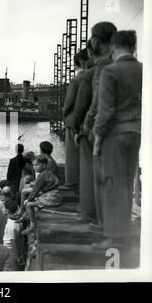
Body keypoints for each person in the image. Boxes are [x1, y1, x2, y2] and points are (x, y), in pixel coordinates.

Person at [92, 30, 142, 248]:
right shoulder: (143, 69)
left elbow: (105, 111)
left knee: (113, 184)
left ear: (113, 47)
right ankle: (126, 233)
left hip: (115, 134)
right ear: (134, 47)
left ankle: (114, 237)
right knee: (127, 181)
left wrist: (97, 138)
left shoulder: (110, 71)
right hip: (136, 132)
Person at [83, 21, 117, 230]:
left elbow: (98, 103)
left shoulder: (102, 67)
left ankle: (105, 227)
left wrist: (88, 127)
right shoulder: (123, 63)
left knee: (101, 179)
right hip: (126, 131)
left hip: (103, 131)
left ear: (96, 41)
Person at [73, 40, 97, 224]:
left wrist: (78, 126)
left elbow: (78, 106)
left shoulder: (85, 76)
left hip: (89, 127)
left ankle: (88, 214)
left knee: (85, 169)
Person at [64, 49, 89, 191]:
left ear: (77, 62)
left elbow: (68, 103)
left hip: (73, 121)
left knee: (72, 155)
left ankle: (71, 183)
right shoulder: (94, 76)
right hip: (88, 122)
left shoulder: (76, 80)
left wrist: (65, 115)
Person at [20, 155, 61, 235]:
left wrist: (28, 200)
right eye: (34, 165)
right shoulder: (46, 173)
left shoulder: (42, 175)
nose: (35, 167)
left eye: (37, 165)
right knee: (34, 206)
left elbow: (35, 190)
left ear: (44, 165)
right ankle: (27, 217)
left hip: (50, 197)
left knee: (28, 204)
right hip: (54, 195)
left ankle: (32, 226)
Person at [2, 199, 22, 271]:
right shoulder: (15, 220)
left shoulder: (11, 224)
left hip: (10, 251)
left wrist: (17, 256)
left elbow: (13, 241)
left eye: (3, 208)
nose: (2, 209)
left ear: (7, 210)